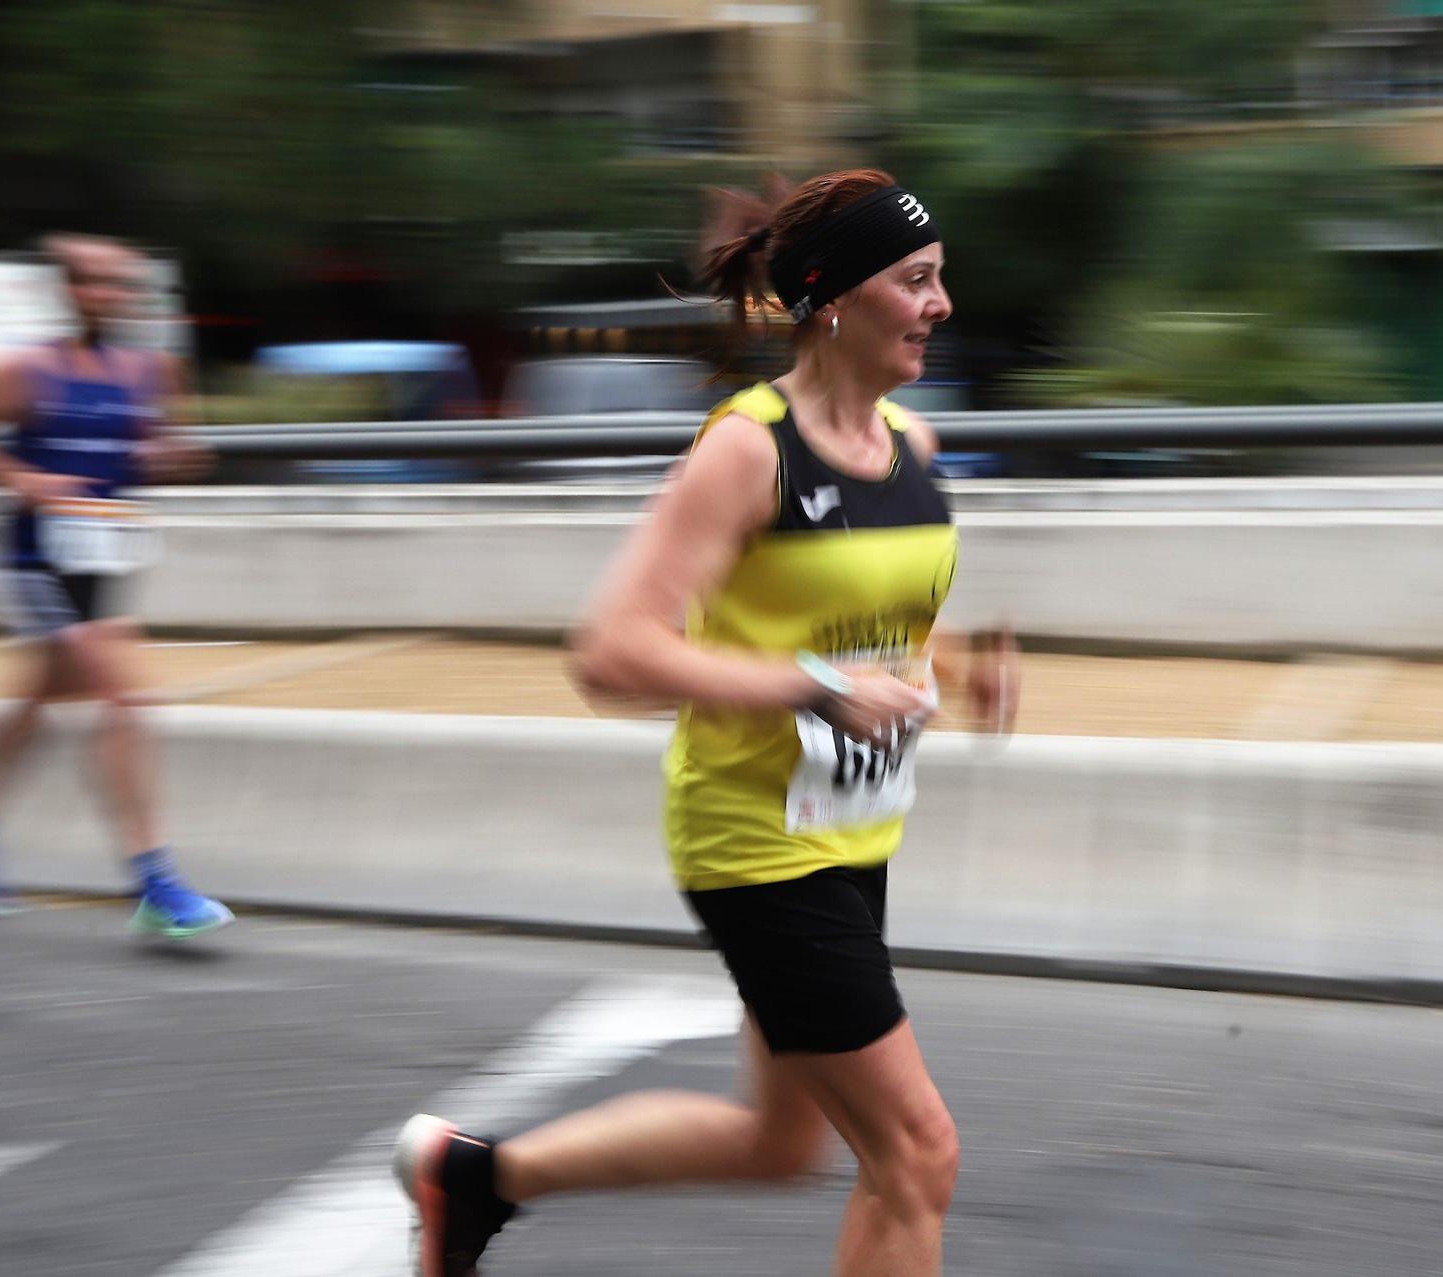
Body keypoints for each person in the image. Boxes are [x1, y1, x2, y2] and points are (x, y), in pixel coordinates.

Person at [393, 168, 1019, 1276]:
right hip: (757, 847)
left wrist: (957, 667)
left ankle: (474, 1180)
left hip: (854, 835)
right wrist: (812, 687)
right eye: (915, 281)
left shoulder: (911, 448)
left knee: (778, 1142)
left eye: (939, 280)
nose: (941, 304)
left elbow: (856, 618)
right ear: (832, 299)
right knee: (915, 1150)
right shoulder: (747, 449)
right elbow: (611, 650)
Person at [0, 232, 233, 941]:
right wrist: (21, 477)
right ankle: (154, 881)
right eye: (94, 283)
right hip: (30, 558)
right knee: (126, 700)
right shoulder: (25, 368)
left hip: (103, 555)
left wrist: (175, 456)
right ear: (68, 292)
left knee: (39, 701)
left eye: (122, 284)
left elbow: (158, 449)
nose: (110, 296)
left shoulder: (152, 370)